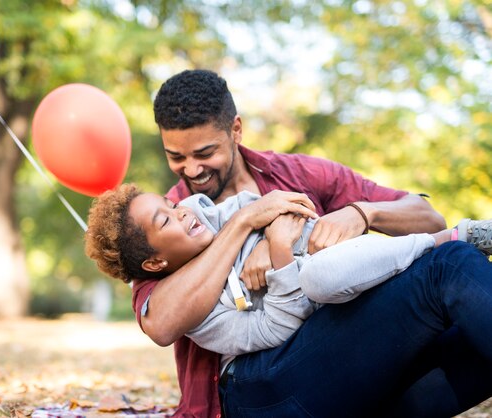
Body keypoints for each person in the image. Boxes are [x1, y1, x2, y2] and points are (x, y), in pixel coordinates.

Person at [128, 69, 492, 417]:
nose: (192, 170)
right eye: (176, 157)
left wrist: (363, 213)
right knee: (449, 266)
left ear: (235, 130)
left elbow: (427, 216)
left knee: (471, 336)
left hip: (337, 360)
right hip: (258, 386)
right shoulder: (166, 225)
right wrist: (246, 226)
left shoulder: (298, 174)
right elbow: (160, 323)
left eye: (205, 153)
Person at [85, 183, 492, 362]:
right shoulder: (199, 311)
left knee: (330, 270)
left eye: (172, 205)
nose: (183, 212)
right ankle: (445, 241)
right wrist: (280, 259)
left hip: (341, 250)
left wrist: (266, 234)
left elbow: (278, 206)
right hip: (326, 297)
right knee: (319, 278)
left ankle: (453, 237)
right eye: (166, 220)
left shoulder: (215, 211)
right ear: (154, 263)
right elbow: (268, 330)